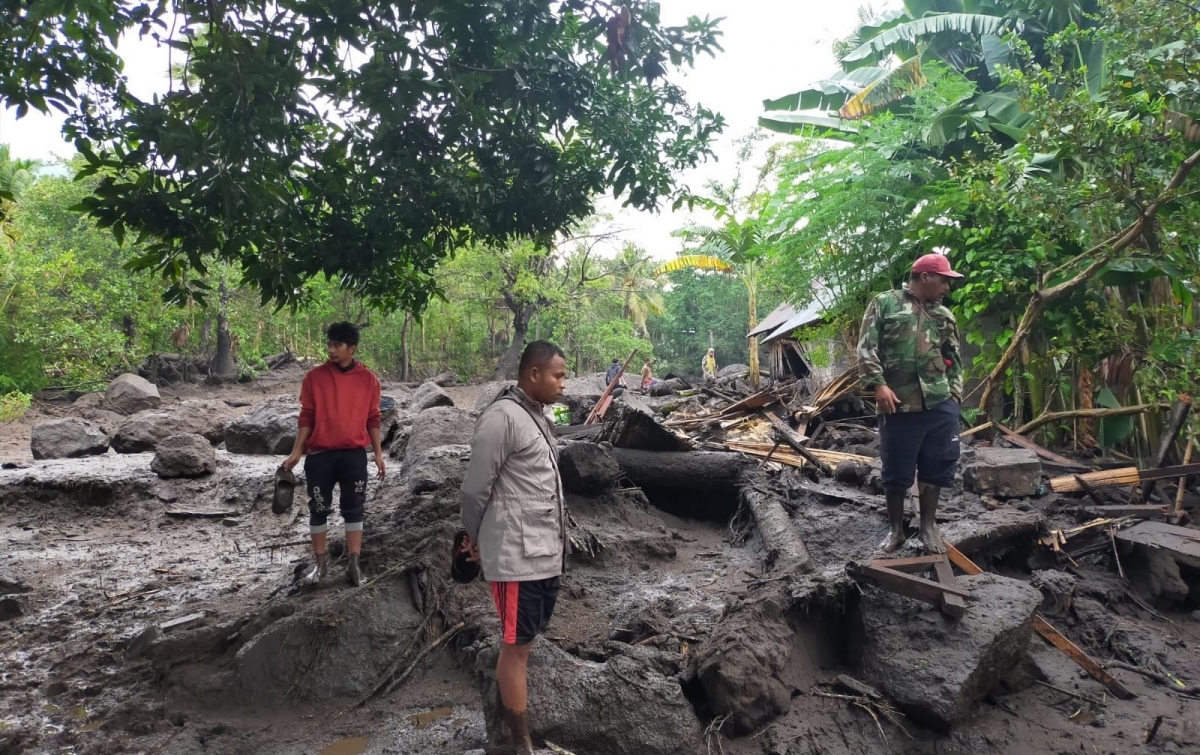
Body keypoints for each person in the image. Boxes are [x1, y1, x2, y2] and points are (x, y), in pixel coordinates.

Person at [460, 340, 569, 755]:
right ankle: (520, 745)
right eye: (558, 376)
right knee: (516, 647)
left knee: (523, 643)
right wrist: (472, 537)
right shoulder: (502, 418)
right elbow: (474, 490)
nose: (564, 384)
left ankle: (510, 735)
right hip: (515, 557)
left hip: (543, 553)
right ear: (533, 374)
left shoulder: (536, 416)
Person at [857, 254, 964, 554]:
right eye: (944, 280)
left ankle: (928, 527)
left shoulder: (944, 316)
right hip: (898, 405)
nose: (947, 287)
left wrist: (954, 395)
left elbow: (954, 359)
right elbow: (866, 347)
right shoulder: (885, 303)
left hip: (939, 404)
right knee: (896, 470)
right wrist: (878, 385)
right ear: (925, 277)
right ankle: (896, 531)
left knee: (937, 464)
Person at [281, 321, 386, 586]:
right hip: (320, 456)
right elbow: (306, 416)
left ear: (351, 348)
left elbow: (373, 418)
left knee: (354, 509)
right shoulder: (314, 378)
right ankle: (320, 566)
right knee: (318, 508)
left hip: (354, 456)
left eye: (336, 345)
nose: (330, 350)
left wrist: (379, 454)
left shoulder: (368, 380)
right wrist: (296, 453)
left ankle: (353, 565)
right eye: (328, 344)